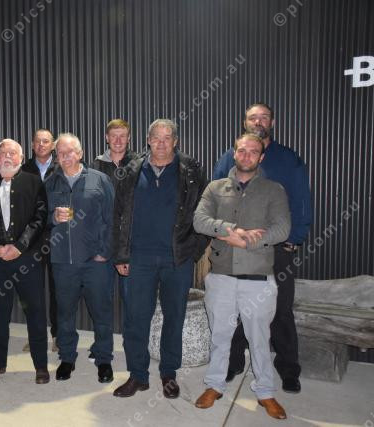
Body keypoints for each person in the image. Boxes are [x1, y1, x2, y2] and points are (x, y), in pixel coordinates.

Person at [213, 103, 313, 393]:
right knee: (234, 309)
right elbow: (215, 196)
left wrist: (295, 237)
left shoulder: (288, 158)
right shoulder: (229, 157)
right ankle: (233, 363)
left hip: (276, 247)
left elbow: (301, 200)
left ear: (273, 123)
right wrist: (223, 234)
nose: (258, 122)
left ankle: (288, 369)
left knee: (280, 310)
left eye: (264, 118)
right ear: (244, 122)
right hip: (235, 247)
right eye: (252, 117)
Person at [194, 133, 290, 420]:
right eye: (242, 151)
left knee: (259, 338)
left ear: (261, 157)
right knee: (220, 336)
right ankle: (214, 385)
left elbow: (282, 229)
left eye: (253, 152)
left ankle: (265, 392)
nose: (247, 156)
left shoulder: (274, 190)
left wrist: (245, 243)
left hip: (258, 279)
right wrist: (231, 231)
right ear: (234, 153)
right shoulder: (215, 188)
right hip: (221, 277)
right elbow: (199, 221)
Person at [112, 119, 208, 399]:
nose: (162, 143)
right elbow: (118, 216)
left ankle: (168, 374)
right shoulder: (131, 170)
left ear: (175, 141)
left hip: (176, 259)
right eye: (156, 137)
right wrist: (120, 254)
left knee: (174, 317)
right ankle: (138, 375)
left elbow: (204, 213)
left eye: (168, 138)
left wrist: (193, 250)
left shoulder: (191, 171)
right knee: (135, 319)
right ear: (148, 140)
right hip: (138, 258)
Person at [0, 139, 50, 384]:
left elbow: (40, 218)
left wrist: (19, 246)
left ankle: (41, 366)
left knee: (35, 313)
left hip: (28, 260)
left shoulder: (34, 182)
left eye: (13, 153)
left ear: (21, 158)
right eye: (3, 152)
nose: (7, 156)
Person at [44, 133, 115, 384]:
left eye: (70, 152)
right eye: (61, 153)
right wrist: (53, 217)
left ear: (81, 153)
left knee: (102, 312)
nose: (65, 157)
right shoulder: (50, 183)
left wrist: (104, 252)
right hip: (63, 261)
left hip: (95, 262)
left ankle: (104, 359)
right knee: (64, 313)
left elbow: (112, 218)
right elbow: (39, 219)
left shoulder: (100, 180)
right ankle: (67, 358)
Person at [91, 118, 139, 361]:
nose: (118, 140)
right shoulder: (95, 166)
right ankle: (102, 349)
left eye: (123, 135)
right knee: (102, 301)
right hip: (103, 244)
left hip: (131, 245)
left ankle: (133, 348)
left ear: (129, 138)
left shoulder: (140, 163)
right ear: (106, 138)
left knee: (132, 302)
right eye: (114, 135)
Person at [21, 128, 59, 353]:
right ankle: (35, 335)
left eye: (46, 141)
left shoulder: (62, 166)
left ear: (53, 145)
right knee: (32, 290)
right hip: (31, 238)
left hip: (57, 236)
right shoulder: (23, 169)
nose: (42, 145)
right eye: (38, 141)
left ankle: (57, 335)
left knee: (58, 289)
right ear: (32, 145)